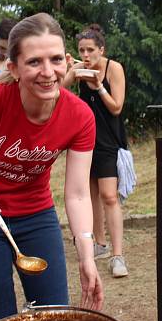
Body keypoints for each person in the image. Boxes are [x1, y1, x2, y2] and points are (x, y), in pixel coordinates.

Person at [0, 13, 104, 319]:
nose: (48, 72)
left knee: (53, 316)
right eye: (34, 62)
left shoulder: (80, 116)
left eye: (56, 59)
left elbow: (77, 194)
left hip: (36, 217)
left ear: (68, 62)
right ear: (14, 68)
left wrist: (87, 256)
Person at [63, 24, 129, 278]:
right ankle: (99, 244)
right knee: (89, 196)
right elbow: (60, 89)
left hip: (109, 142)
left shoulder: (113, 68)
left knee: (109, 196)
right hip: (83, 142)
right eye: (82, 50)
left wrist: (99, 85)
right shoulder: (80, 69)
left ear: (102, 49)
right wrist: (72, 70)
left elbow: (116, 107)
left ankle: (118, 255)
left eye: (91, 49)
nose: (87, 54)